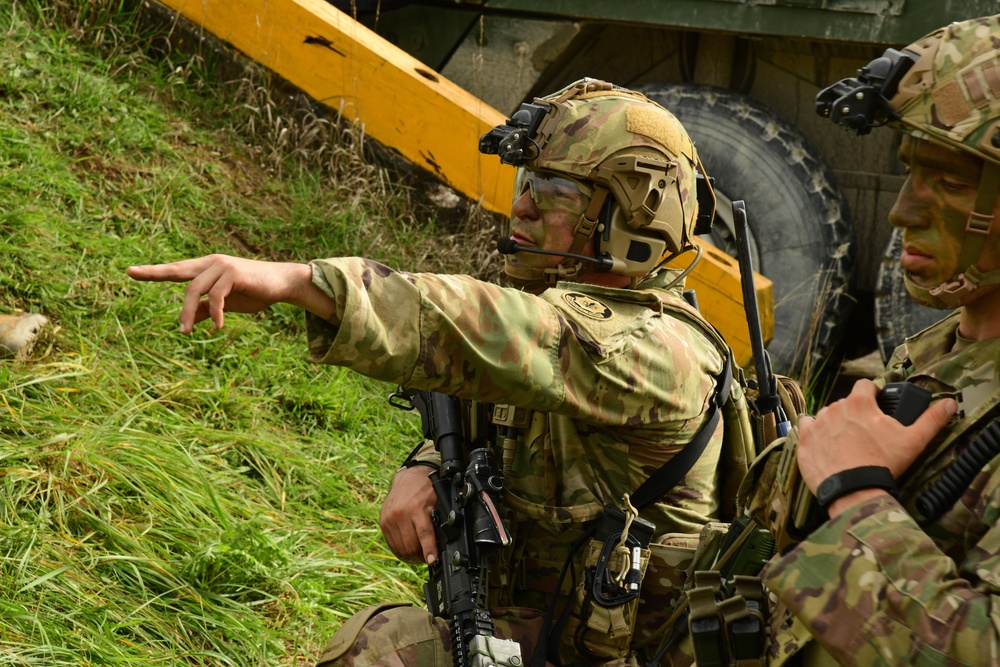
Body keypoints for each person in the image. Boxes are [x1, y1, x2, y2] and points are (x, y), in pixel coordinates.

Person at [128, 79, 749, 666]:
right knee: (380, 644)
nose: (524, 207)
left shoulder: (658, 349)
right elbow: (508, 411)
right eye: (527, 182)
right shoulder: (562, 317)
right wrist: (424, 465)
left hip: (626, 656)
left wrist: (303, 284)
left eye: (556, 194)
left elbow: (504, 334)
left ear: (632, 222)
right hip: (540, 633)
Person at [753, 14, 1000, 665]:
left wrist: (857, 493)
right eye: (913, 173)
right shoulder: (939, 353)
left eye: (949, 181)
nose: (903, 210)